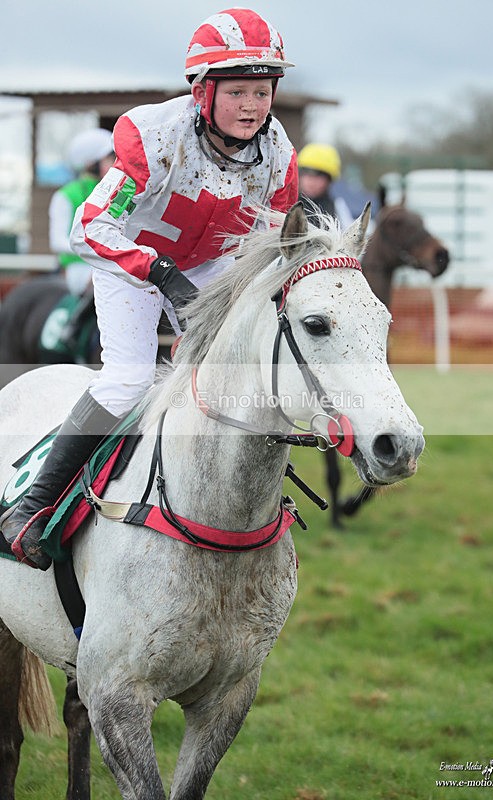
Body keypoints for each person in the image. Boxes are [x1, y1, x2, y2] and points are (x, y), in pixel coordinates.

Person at [1, 7, 298, 570]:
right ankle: (31, 508)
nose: (253, 107)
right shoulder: (153, 134)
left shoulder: (277, 150)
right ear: (202, 90)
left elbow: (273, 231)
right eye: (238, 92)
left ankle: (246, 513)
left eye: (263, 92)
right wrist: (160, 273)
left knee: (238, 374)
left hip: (208, 266)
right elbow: (87, 226)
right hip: (132, 261)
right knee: (129, 380)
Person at [47, 128, 115, 355]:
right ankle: (72, 328)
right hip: (79, 267)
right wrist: (95, 248)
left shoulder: (114, 191)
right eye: (109, 158)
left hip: (110, 262)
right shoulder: (65, 195)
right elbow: (57, 241)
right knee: (105, 279)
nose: (115, 163)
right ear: (91, 163)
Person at [297, 142, 353, 228]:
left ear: (329, 180)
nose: (311, 181)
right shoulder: (287, 203)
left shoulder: (338, 207)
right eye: (307, 174)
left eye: (318, 176)